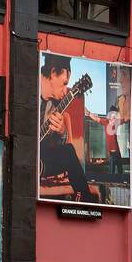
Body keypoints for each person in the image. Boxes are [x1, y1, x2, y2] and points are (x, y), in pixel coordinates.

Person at [39, 54, 92, 201]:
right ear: (52, 73)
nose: (65, 91)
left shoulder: (54, 106)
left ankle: (84, 201)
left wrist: (61, 132)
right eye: (64, 83)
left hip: (40, 162)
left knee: (68, 151)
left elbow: (54, 145)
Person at [86, 107, 124, 175]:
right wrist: (89, 113)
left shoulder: (116, 123)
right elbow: (97, 119)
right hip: (112, 152)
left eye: (115, 115)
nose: (114, 116)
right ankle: (112, 181)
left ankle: (120, 181)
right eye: (113, 114)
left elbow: (125, 119)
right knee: (112, 170)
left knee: (120, 170)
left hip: (117, 151)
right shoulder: (106, 122)